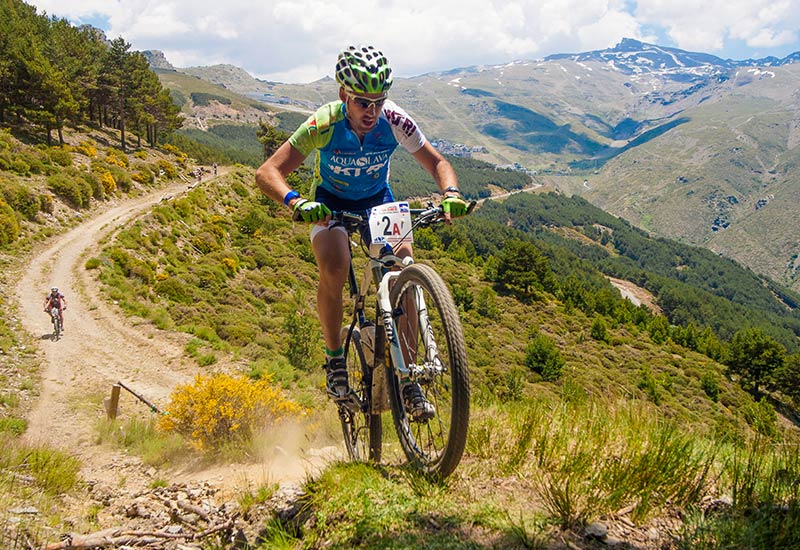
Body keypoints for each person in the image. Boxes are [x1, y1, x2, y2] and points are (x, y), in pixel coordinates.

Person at [255, 45, 469, 421]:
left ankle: (409, 379)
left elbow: (437, 162)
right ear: (343, 96)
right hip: (330, 203)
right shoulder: (323, 123)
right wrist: (296, 202)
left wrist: (450, 192)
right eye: (361, 102)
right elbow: (267, 172)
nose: (371, 111)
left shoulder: (395, 120)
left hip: (378, 202)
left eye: (378, 101)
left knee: (403, 270)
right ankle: (335, 359)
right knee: (336, 267)